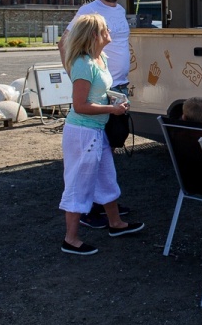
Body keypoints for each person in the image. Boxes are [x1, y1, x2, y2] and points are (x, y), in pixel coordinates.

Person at [58, 14, 143, 255]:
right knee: (79, 183)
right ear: (95, 35)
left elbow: (100, 92)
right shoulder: (84, 64)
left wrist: (114, 100)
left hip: (96, 130)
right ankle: (71, 239)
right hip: (82, 133)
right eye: (105, 29)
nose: (109, 31)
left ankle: (115, 223)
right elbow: (80, 105)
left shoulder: (100, 58)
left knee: (106, 176)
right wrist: (112, 108)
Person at [59, 0, 133, 229]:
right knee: (94, 152)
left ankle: (104, 202)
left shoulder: (120, 12)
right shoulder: (88, 11)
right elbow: (64, 42)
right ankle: (90, 207)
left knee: (110, 145)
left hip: (117, 87)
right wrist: (78, 77)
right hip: (97, 91)